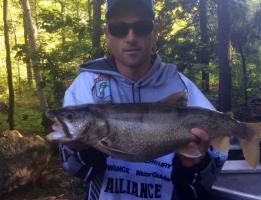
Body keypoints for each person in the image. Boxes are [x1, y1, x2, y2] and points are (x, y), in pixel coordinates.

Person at [59, 0, 226, 199]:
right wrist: (83, 150)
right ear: (107, 33)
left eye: (141, 27)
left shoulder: (183, 88)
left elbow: (210, 174)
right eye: (119, 28)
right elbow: (77, 170)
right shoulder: (85, 86)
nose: (131, 38)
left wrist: (193, 164)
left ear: (155, 29)